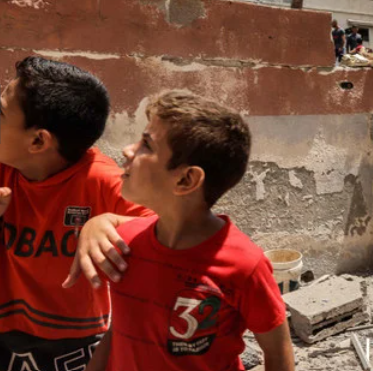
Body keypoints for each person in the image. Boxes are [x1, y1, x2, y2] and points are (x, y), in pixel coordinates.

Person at [81, 90, 294, 371]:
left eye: (146, 144)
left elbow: (278, 350)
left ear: (186, 179)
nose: (127, 150)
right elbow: (118, 332)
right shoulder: (125, 245)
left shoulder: (245, 265)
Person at [0, 56, 151, 370]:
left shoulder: (101, 180)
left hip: (75, 345)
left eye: (1, 114)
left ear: (38, 140)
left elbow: (168, 226)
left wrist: (107, 221)